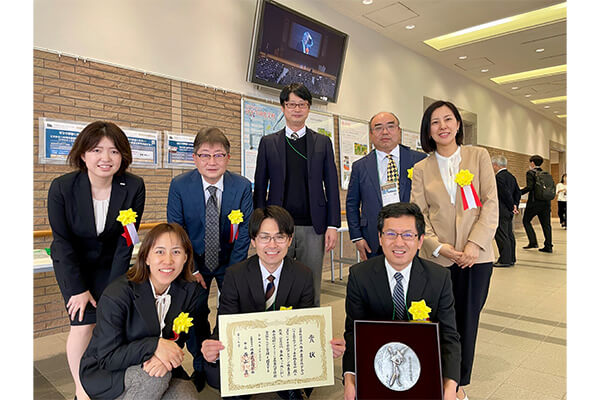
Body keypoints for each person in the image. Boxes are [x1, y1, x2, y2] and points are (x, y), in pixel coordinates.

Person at [200, 206, 345, 399]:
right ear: (253, 241)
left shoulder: (303, 275)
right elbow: (225, 323)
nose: (272, 245)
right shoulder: (235, 275)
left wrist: (324, 346)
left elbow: (307, 325)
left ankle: (289, 387)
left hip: (285, 351)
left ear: (289, 240)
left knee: (308, 374)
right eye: (264, 237)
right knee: (218, 373)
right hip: (249, 350)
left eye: (280, 237)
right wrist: (213, 347)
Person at [47, 121, 145, 400]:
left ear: (122, 156)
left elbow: (127, 239)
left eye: (114, 151)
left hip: (111, 264)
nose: (105, 158)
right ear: (82, 155)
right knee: (82, 324)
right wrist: (77, 288)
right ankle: (82, 390)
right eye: (97, 150)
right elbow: (62, 242)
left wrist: (114, 287)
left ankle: (107, 382)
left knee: (110, 323)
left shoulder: (134, 186)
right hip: (73, 266)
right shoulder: (62, 188)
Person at [410, 100, 498, 400]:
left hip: (478, 257)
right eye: (435, 122)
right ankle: (435, 375)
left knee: (467, 320)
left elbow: (490, 203)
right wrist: (440, 247)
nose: (443, 126)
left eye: (448, 119)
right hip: (437, 259)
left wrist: (474, 244)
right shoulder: (421, 168)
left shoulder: (478, 156)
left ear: (458, 124)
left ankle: (456, 385)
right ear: (429, 130)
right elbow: (419, 213)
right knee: (438, 320)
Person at [342, 202, 460, 400]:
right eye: (390, 234)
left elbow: (449, 337)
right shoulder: (360, 276)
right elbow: (353, 333)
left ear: (420, 240)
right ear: (380, 237)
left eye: (407, 235)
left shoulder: (439, 279)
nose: (399, 243)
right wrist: (349, 378)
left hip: (423, 367)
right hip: (378, 367)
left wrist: (450, 385)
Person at [80, 223, 210, 400]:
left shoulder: (190, 290)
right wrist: (154, 346)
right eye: (160, 251)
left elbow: (180, 338)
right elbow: (108, 357)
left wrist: (163, 359)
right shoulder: (118, 294)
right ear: (146, 257)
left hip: (158, 363)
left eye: (176, 252)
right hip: (111, 369)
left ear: (186, 257)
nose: (168, 260)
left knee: (187, 396)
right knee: (154, 379)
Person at [167, 127, 253, 391]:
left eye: (218, 155)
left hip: (231, 260)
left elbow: (245, 233)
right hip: (194, 263)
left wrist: (237, 271)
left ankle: (231, 360)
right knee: (195, 313)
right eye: (205, 155)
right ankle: (202, 365)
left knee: (233, 310)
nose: (212, 162)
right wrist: (191, 269)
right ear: (194, 158)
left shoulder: (242, 186)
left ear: (228, 158)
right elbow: (176, 230)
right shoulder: (180, 185)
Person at [253, 83, 341, 307]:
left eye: (302, 104)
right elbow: (261, 185)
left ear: (309, 108)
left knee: (311, 283)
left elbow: (331, 185)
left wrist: (333, 225)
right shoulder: (268, 143)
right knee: (275, 281)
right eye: (291, 104)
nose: (297, 109)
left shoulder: (322, 143)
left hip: (313, 227)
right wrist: (259, 224)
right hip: (277, 227)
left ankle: (311, 328)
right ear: (283, 108)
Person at [346, 111, 427, 260]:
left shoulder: (420, 160)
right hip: (373, 237)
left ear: (399, 131)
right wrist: (357, 237)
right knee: (375, 280)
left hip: (412, 236)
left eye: (390, 126)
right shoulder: (360, 166)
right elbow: (352, 204)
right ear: (371, 134)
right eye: (378, 128)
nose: (385, 132)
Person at [491, 155, 521, 267]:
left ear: (495, 165)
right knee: (509, 234)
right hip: (509, 210)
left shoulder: (499, 177)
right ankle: (511, 258)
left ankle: (505, 260)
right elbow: (517, 192)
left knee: (502, 235)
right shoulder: (511, 176)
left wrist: (510, 206)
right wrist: (515, 205)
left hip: (502, 210)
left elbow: (505, 194)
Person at [521, 155, 553, 252]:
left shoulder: (530, 173)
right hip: (546, 203)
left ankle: (533, 242)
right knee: (546, 224)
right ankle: (548, 246)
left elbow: (530, 187)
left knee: (526, 221)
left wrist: (519, 192)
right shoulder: (546, 173)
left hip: (534, 203)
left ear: (532, 163)